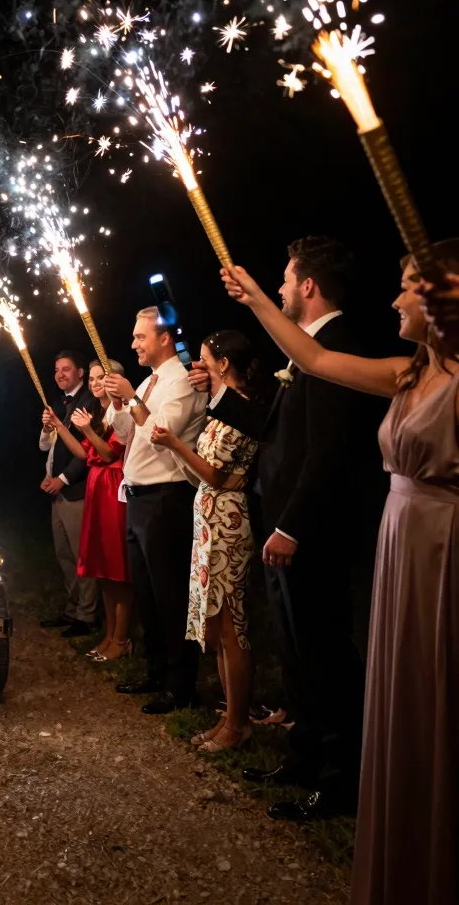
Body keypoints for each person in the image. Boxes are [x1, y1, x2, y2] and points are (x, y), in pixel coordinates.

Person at [220, 241, 458, 905]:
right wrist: (257, 298)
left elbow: (327, 450)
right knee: (391, 681)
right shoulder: (404, 373)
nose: (395, 298)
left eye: (410, 286)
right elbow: (314, 358)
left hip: (443, 544)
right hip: (400, 540)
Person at [199, 237, 370, 820]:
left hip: (310, 531)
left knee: (324, 652)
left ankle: (341, 777)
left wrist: (293, 525)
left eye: (285, 279)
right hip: (280, 525)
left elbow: (327, 452)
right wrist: (220, 397)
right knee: (297, 653)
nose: (279, 288)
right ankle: (301, 758)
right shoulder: (304, 353)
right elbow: (275, 432)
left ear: (309, 287)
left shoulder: (338, 348)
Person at [150, 331, 270, 753]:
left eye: (202, 359)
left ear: (223, 363)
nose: (195, 367)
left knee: (231, 624)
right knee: (217, 627)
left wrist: (174, 444)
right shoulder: (221, 410)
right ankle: (228, 717)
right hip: (209, 516)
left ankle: (239, 724)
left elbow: (218, 475)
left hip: (228, 521)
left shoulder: (245, 410)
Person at [102, 307, 207, 715]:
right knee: (146, 593)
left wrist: (131, 398)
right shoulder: (149, 381)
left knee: (170, 594)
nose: (133, 344)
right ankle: (155, 670)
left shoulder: (182, 382)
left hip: (168, 496)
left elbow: (162, 435)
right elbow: (127, 435)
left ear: (164, 338)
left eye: (140, 336)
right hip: (139, 496)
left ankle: (181, 684)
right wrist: (118, 403)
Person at [43, 360, 133, 662]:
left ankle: (122, 637)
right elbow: (83, 452)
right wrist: (61, 427)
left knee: (116, 567)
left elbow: (108, 453)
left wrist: (86, 430)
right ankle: (109, 636)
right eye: (92, 378)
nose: (95, 383)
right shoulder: (100, 413)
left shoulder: (120, 413)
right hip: (97, 486)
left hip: (112, 487)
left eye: (100, 378)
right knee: (103, 568)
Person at [36, 351, 99, 637]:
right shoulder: (59, 405)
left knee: (82, 555)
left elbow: (86, 452)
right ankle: (72, 609)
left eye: (66, 369)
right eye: (57, 370)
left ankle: (87, 616)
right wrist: (47, 428)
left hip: (76, 490)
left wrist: (62, 479)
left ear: (80, 372)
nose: (60, 374)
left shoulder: (88, 400)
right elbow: (47, 447)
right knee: (64, 555)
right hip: (57, 491)